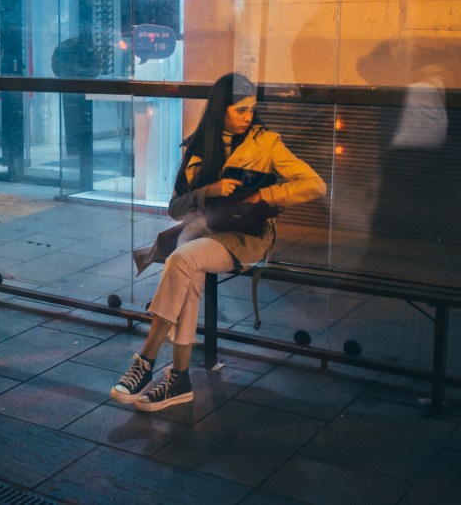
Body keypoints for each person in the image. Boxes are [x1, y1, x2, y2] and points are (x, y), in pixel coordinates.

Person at [112, 72, 326, 411]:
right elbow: (175, 209)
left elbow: (315, 185)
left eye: (251, 110)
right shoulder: (198, 145)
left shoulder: (266, 143)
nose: (248, 117)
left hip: (245, 237)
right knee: (188, 270)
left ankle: (147, 359)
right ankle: (179, 379)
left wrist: (264, 195)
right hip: (202, 230)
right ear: (219, 109)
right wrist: (208, 190)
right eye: (240, 110)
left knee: (182, 260)